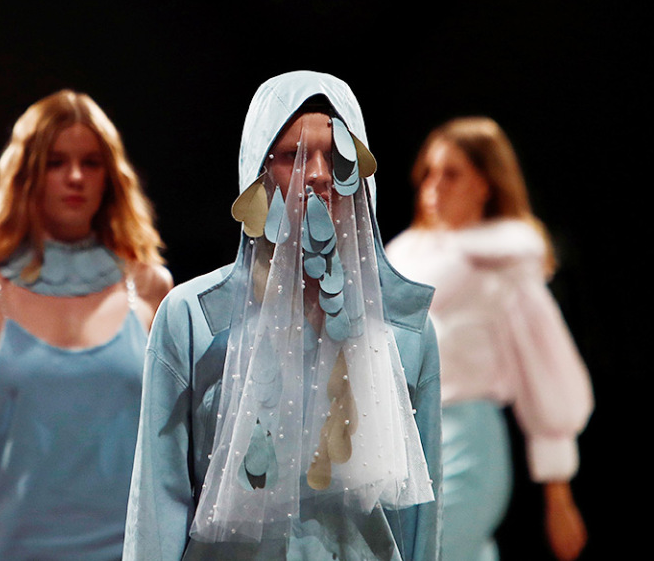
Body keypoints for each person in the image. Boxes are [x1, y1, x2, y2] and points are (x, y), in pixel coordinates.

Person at [123, 71, 442, 561]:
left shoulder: (404, 331)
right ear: (258, 171)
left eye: (337, 156)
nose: (318, 174)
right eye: (294, 155)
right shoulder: (195, 319)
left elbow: (420, 517)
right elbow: (159, 498)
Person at [0, 89, 173, 561]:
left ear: (110, 176)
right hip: (20, 549)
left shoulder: (150, 288)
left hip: (131, 548)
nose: (75, 177)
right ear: (27, 174)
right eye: (55, 162)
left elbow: (171, 446)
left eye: (91, 163)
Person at [385, 117, 593, 561]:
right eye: (429, 173)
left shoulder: (504, 268)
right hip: (399, 450)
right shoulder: (399, 267)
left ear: (485, 184)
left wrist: (559, 496)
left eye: (451, 173)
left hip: (466, 442)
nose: (434, 187)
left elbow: (548, 374)